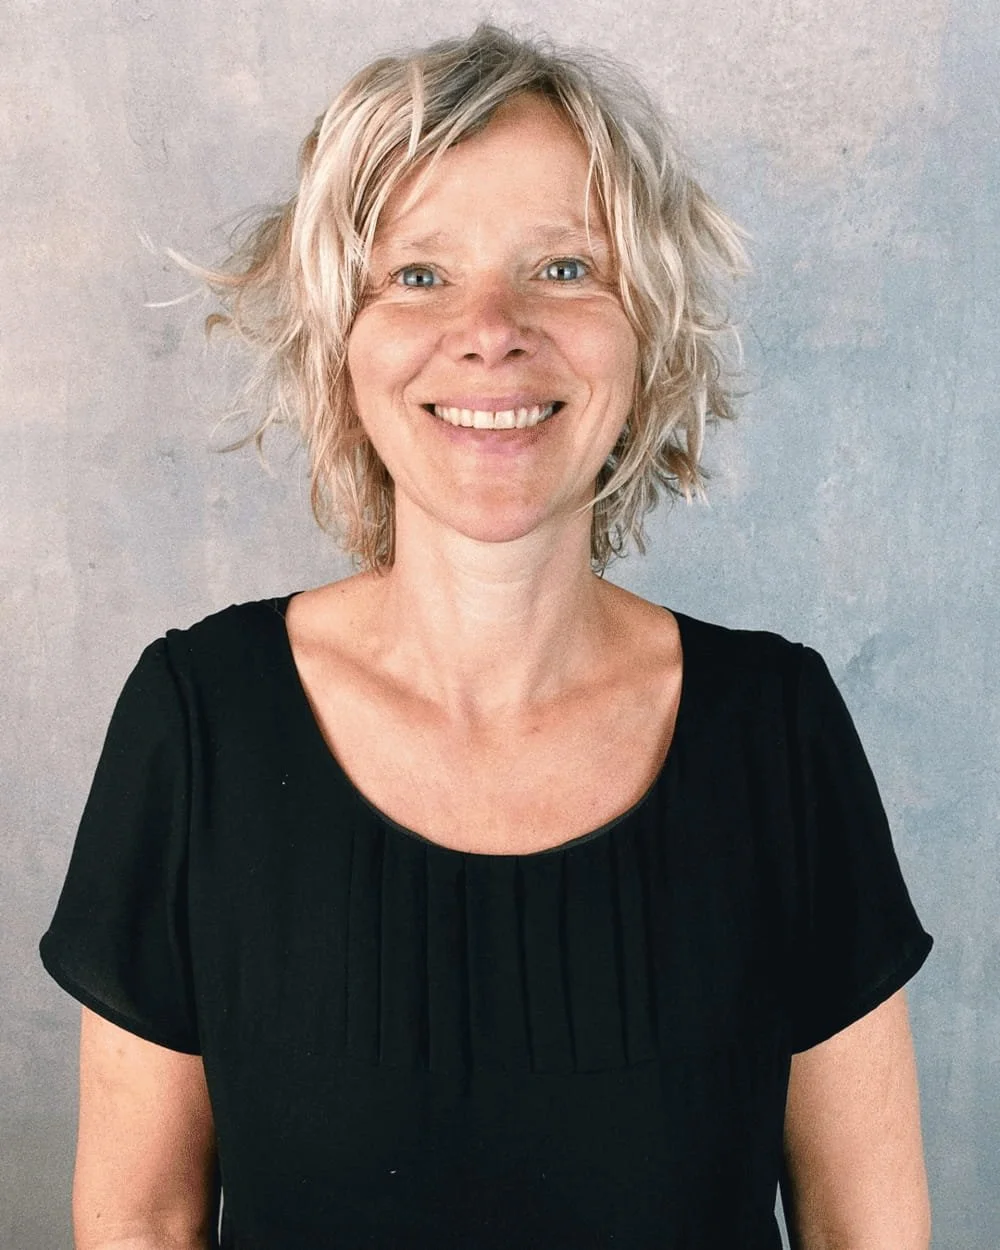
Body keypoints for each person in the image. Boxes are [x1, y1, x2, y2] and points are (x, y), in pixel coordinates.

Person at [40, 22, 935, 1250]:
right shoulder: (198, 722)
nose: (491, 327)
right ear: (338, 342)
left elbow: (866, 1230)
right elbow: (138, 1219)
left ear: (647, 330)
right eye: (418, 275)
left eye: (562, 268)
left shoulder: (775, 729)